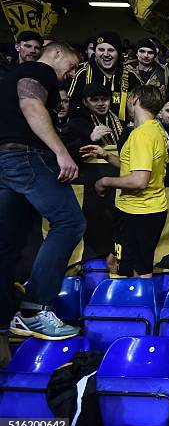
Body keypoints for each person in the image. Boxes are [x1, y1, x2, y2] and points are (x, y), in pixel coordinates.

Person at [1, 42, 85, 339]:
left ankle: (5, 315)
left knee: (8, 242)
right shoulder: (40, 69)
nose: (71, 74)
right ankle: (33, 310)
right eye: (72, 66)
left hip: (6, 161)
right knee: (70, 222)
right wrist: (62, 152)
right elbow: (31, 104)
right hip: (26, 156)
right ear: (57, 53)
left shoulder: (12, 76)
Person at [80, 85, 167, 278]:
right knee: (135, 265)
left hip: (137, 213)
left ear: (135, 99)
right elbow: (133, 167)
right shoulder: (154, 130)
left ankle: (133, 306)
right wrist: (106, 155)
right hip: (147, 211)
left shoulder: (141, 134)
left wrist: (104, 181)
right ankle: (137, 304)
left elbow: (139, 180)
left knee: (128, 269)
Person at [68, 31, 135, 120]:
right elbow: (72, 105)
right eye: (101, 50)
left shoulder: (130, 76)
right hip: (89, 129)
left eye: (111, 50)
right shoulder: (83, 74)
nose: (106, 54)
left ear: (118, 53)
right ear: (95, 51)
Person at [62, 83, 124, 157]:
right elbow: (65, 152)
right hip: (90, 167)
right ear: (85, 102)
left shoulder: (120, 122)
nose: (101, 103)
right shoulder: (75, 124)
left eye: (104, 99)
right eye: (95, 100)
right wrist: (90, 139)